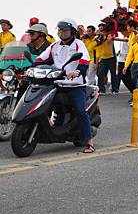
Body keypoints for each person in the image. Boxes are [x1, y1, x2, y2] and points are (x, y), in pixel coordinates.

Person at [35, 19, 94, 153]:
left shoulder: (79, 44)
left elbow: (84, 60)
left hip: (75, 85)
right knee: (41, 103)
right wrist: (29, 67)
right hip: (57, 83)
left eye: (65, 30)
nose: (61, 33)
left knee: (80, 111)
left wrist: (77, 72)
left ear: (72, 32)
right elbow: (41, 59)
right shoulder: (55, 46)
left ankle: (89, 142)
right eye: (60, 30)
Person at [95, 29, 119, 95]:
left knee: (113, 74)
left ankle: (114, 89)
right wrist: (97, 63)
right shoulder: (98, 41)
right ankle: (101, 90)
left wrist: (105, 34)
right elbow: (97, 53)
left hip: (111, 58)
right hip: (103, 59)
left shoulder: (109, 37)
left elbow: (110, 39)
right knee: (100, 74)